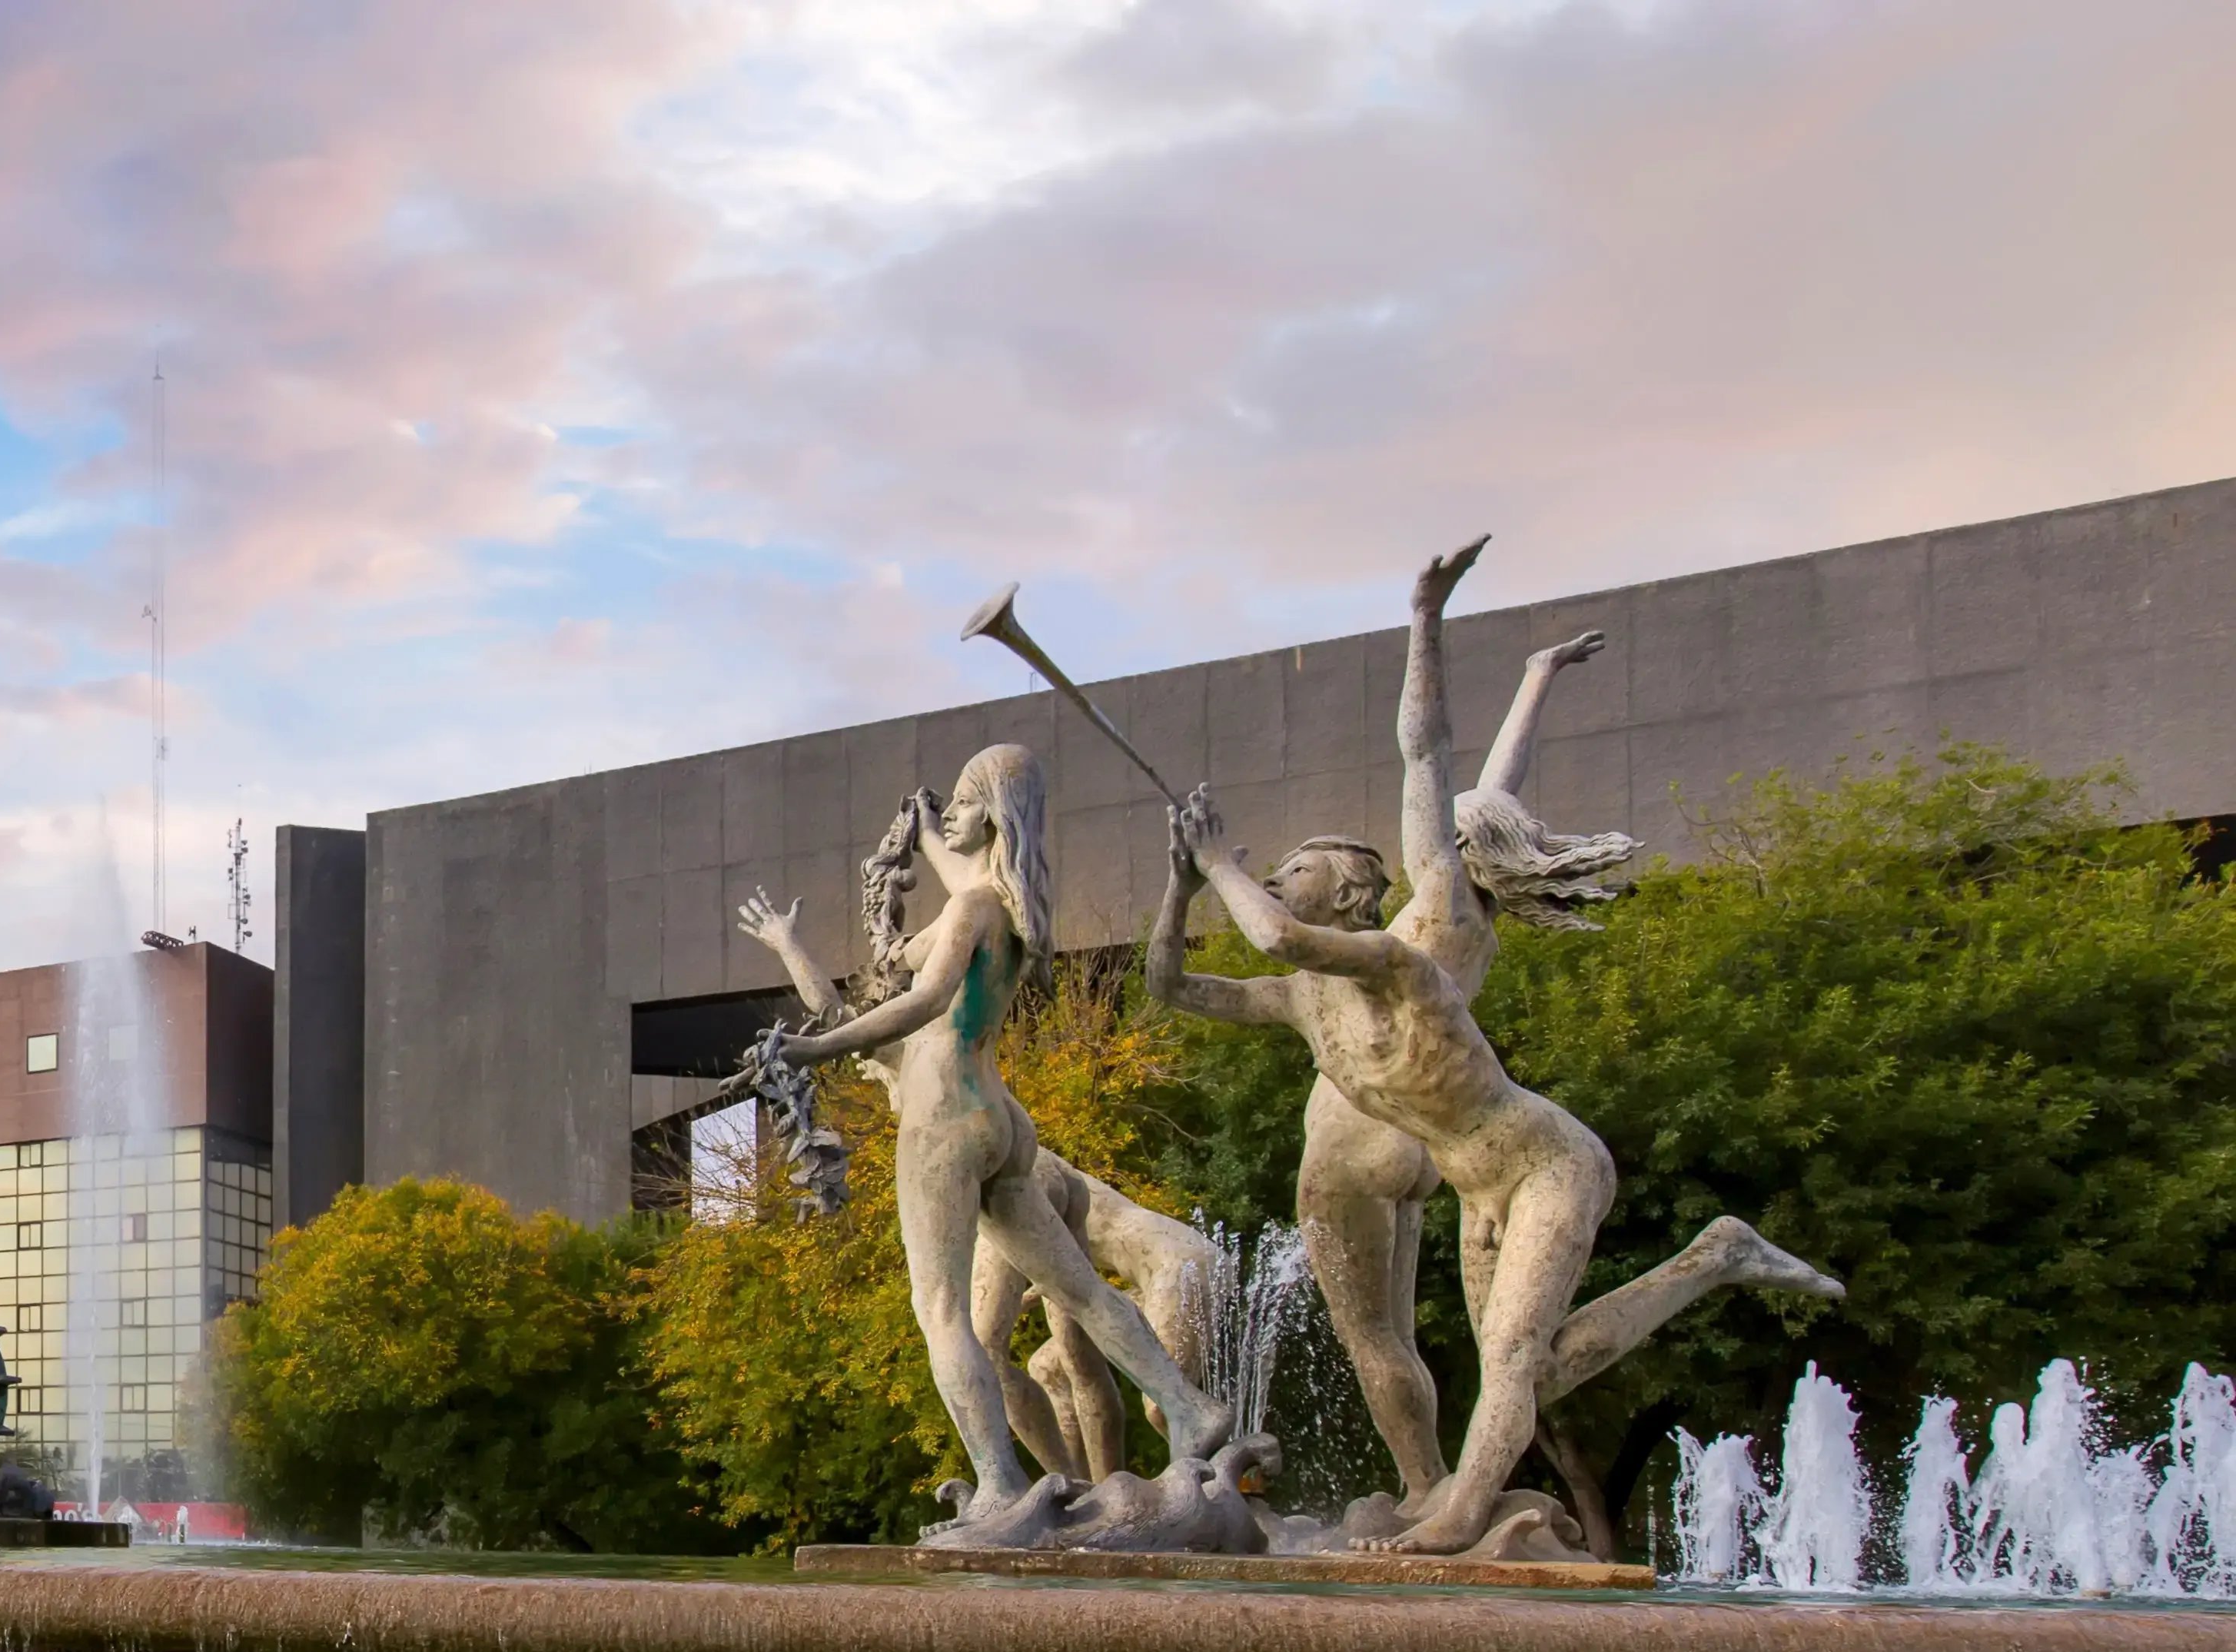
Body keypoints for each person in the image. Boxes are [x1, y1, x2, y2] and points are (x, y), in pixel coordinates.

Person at [1150, 537, 1836, 1554]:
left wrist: (1424, 619)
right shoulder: (1341, 981)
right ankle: (1712, 1259)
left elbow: (1423, 767)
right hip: (1475, 1186)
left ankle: (1459, 1516)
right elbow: (1177, 986)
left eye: (1299, 864)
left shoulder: (1413, 946)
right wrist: (1177, 887)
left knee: (1509, 1365)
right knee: (1535, 1368)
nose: (1284, 868)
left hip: (1541, 1160)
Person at [745, 743, 1231, 1505]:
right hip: (999, 1118)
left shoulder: (972, 910)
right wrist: (924, 832)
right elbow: (948, 890)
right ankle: (1188, 1406)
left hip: (944, 1121)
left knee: (940, 1312)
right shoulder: (1007, 905)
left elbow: (925, 998)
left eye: (966, 803)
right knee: (1079, 1291)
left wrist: (813, 1049)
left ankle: (1001, 1484)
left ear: (995, 816)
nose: (953, 816)